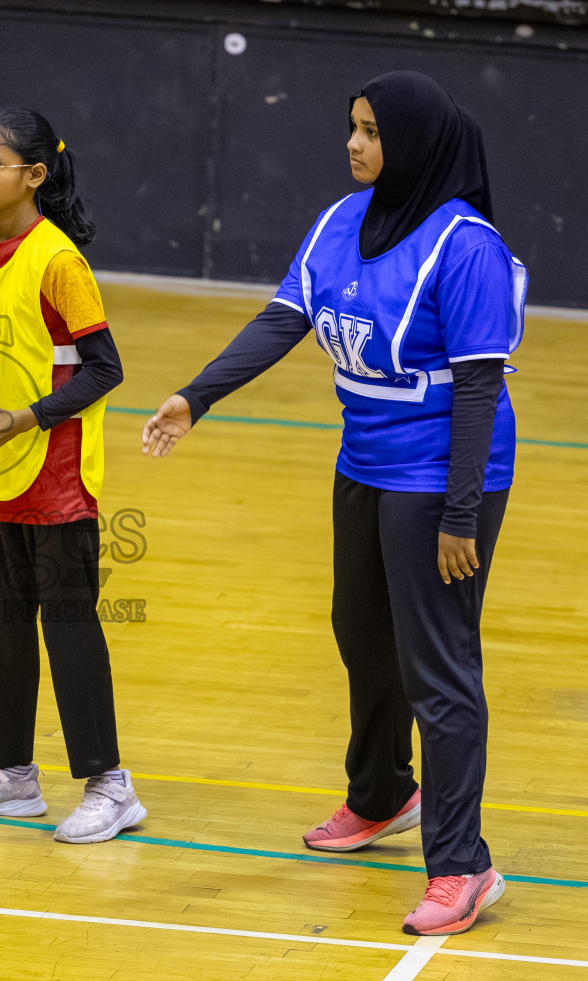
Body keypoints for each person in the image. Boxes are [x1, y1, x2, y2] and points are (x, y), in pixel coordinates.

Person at [142, 71, 526, 934]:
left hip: (440, 476)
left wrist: (461, 514)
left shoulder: (467, 247)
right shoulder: (339, 222)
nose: (353, 144)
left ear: (416, 145)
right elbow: (284, 320)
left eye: (371, 132)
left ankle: (465, 866)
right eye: (352, 127)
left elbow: (476, 391)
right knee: (360, 633)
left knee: (441, 670)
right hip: (365, 463)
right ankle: (385, 793)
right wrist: (195, 397)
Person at [0, 108, 145, 843]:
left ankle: (111, 785)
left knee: (70, 628)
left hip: (58, 475)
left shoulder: (57, 262)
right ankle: (11, 775)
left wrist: (24, 418)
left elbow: (104, 370)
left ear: (35, 176)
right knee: (0, 626)